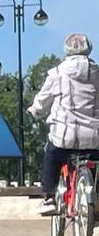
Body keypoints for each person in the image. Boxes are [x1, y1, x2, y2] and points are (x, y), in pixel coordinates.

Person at [28, 32, 99, 215]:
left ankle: (49, 197)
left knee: (51, 153)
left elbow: (42, 100)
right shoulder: (97, 73)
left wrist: (34, 111)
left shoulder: (57, 73)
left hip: (64, 136)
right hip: (93, 137)